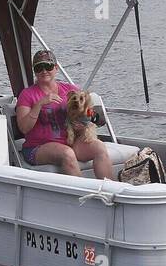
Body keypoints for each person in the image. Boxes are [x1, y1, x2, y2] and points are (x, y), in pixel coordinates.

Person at [15, 49, 115, 180]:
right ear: (35, 71)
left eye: (48, 66)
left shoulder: (70, 90)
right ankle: (82, 196)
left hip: (71, 141)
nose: (44, 71)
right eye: (39, 67)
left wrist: (88, 120)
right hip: (38, 148)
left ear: (56, 68)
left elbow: (94, 115)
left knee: (99, 147)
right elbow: (24, 128)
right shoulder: (27, 94)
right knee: (67, 154)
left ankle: (111, 191)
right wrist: (39, 104)